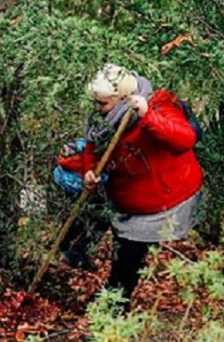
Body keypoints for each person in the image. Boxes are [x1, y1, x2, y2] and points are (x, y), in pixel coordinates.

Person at [82, 63, 204, 309]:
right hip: (127, 201)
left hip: (162, 201)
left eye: (103, 104)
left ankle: (115, 305)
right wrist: (88, 170)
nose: (98, 109)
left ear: (123, 98)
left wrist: (148, 116)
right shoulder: (102, 119)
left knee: (128, 256)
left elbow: (184, 139)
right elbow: (91, 147)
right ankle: (113, 296)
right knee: (124, 253)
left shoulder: (160, 104)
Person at [52, 139, 108, 271]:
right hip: (85, 196)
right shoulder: (66, 170)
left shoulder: (83, 148)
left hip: (82, 196)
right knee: (99, 221)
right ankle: (75, 251)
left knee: (78, 221)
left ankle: (65, 245)